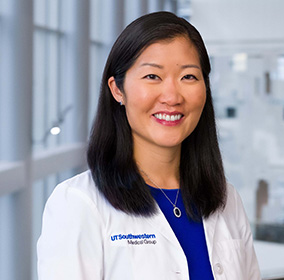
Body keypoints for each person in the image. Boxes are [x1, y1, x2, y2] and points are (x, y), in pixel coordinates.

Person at [37, 11, 261, 280]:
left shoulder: (226, 198)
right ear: (118, 90)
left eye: (188, 77)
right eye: (152, 76)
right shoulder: (78, 204)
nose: (172, 96)